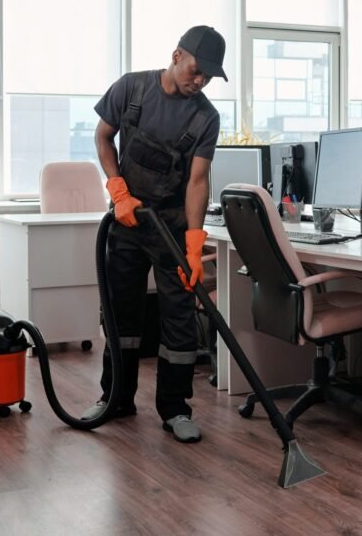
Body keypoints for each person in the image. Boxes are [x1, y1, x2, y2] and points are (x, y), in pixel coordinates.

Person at [89, 25, 225, 442]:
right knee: (121, 313)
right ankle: (115, 398)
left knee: (179, 319)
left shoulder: (206, 117)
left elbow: (197, 181)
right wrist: (117, 188)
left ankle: (174, 408)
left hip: (171, 227)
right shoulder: (131, 90)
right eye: (196, 70)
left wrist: (195, 241)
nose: (199, 81)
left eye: (207, 77)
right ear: (176, 55)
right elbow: (103, 136)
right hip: (128, 221)